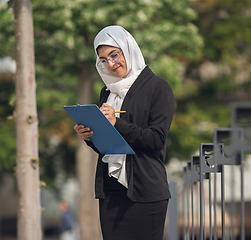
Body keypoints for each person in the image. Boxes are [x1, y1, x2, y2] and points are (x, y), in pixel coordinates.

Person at [74, 25, 176, 240]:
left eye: (114, 54)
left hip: (146, 192)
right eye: (103, 59)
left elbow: (156, 140)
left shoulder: (157, 87)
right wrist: (89, 136)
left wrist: (116, 123)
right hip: (111, 193)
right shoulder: (107, 92)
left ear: (128, 49)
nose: (111, 64)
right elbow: (109, 143)